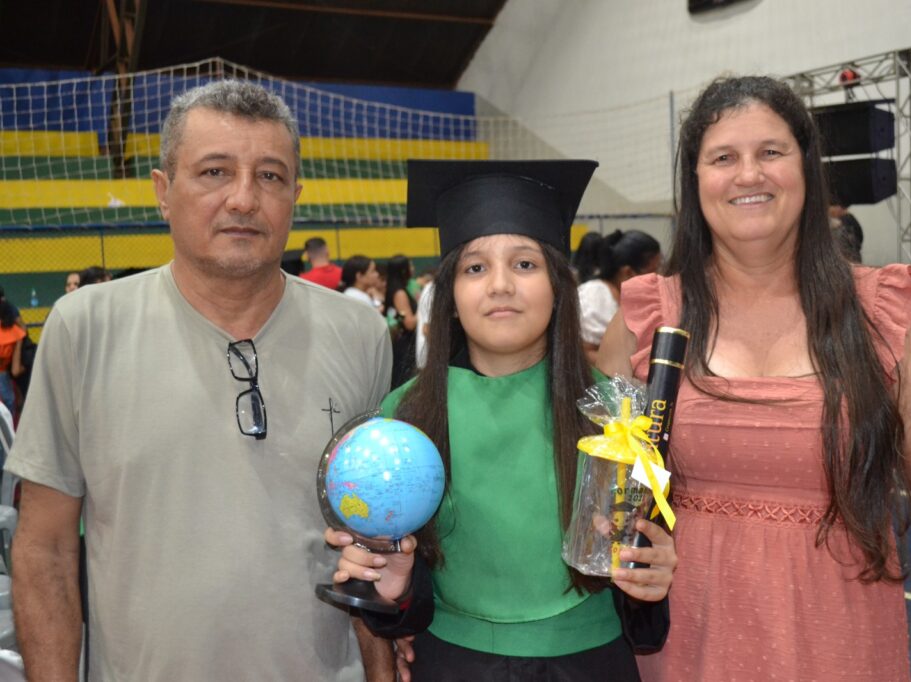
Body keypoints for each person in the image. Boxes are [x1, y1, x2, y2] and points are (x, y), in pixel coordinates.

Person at [598, 76, 911, 681]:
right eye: (723, 158)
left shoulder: (887, 316)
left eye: (771, 152)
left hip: (843, 648)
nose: (748, 174)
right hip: (686, 649)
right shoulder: (646, 318)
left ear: (806, 167)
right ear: (694, 180)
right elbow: (603, 503)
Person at [5, 80, 394, 681]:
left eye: (270, 176)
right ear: (163, 191)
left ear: (295, 195)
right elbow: (46, 549)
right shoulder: (84, 328)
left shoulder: (360, 334)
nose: (244, 198)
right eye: (215, 172)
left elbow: (372, 539)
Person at [326, 159, 677, 681]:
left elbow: (643, 602)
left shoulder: (618, 416)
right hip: (452, 664)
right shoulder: (405, 418)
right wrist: (392, 585)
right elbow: (405, 597)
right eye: (474, 268)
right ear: (449, 296)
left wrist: (652, 577)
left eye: (525, 264)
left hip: (590, 663)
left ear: (559, 286)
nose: (500, 285)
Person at [576, 230, 661, 364]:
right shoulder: (594, 296)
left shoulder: (633, 297)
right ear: (628, 272)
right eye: (653, 272)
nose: (658, 278)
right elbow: (583, 353)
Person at [383, 255, 418, 388]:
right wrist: (423, 309)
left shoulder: (396, 289)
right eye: (410, 266)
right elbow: (409, 323)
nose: (413, 268)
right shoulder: (399, 293)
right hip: (404, 346)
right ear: (403, 270)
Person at [0, 292, 25, 416]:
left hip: (4, 371)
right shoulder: (16, 333)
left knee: (9, 399)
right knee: (9, 400)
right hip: (5, 371)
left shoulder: (15, 332)